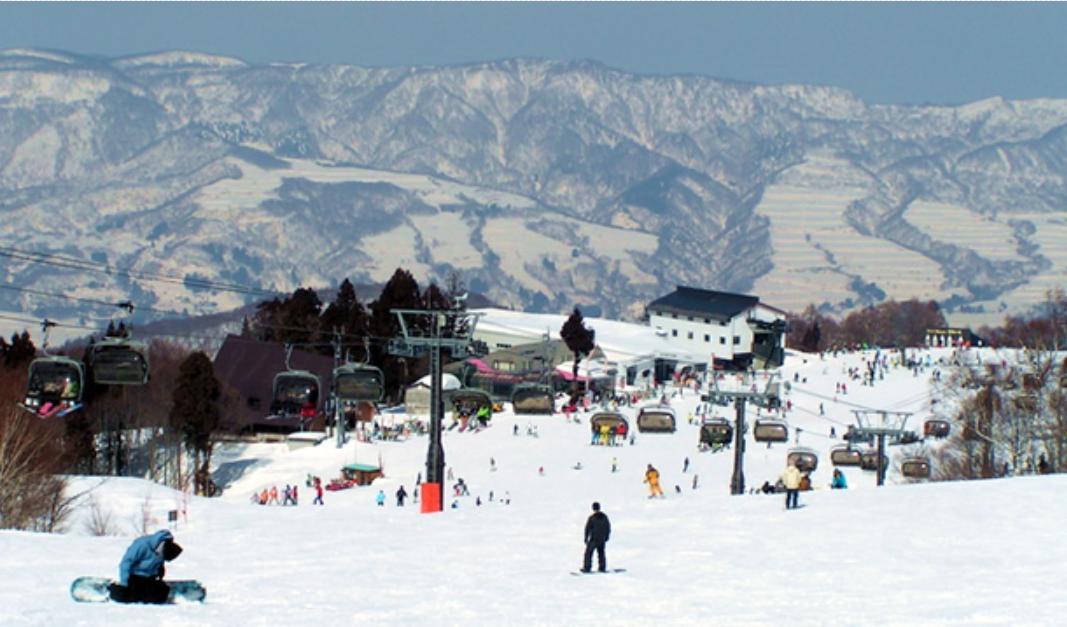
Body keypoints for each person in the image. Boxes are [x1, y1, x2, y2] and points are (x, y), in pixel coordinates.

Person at [110, 530, 182, 604]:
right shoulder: (141, 544)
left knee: (159, 598)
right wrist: (124, 583)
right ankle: (113, 588)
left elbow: (159, 564)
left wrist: (160, 573)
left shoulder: (166, 547)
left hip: (150, 578)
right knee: (129, 597)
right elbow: (126, 563)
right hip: (134, 577)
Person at [581, 502, 611, 573]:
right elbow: (608, 527)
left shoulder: (592, 518)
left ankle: (587, 568)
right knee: (601, 553)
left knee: (588, 553)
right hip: (602, 539)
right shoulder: (604, 517)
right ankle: (602, 568)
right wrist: (606, 536)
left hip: (594, 539)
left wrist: (586, 538)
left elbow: (587, 528)